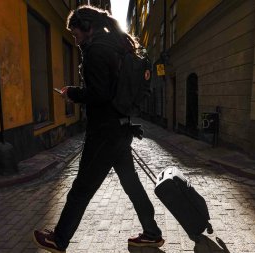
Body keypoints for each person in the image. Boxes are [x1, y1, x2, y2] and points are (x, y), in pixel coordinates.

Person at [32, 5, 164, 253]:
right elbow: (113, 92)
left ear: (87, 27)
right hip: (119, 128)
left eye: (75, 33)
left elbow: (100, 94)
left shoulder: (96, 51)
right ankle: (152, 233)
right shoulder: (116, 47)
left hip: (104, 132)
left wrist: (72, 93)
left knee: (81, 188)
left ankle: (59, 239)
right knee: (131, 184)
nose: (75, 38)